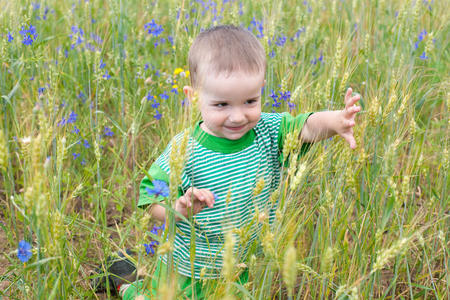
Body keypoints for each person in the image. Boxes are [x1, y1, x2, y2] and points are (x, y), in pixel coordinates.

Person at [119, 24, 361, 299]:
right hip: (187, 267)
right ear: (193, 98)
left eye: (250, 101)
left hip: (238, 265)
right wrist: (177, 208)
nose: (238, 117)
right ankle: (125, 286)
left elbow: (305, 127)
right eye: (222, 105)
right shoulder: (184, 149)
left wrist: (336, 121)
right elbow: (150, 196)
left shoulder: (267, 131)